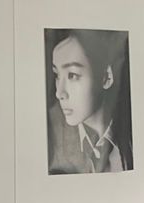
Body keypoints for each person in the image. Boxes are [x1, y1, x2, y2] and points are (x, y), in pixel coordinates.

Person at [46, 29, 133, 175]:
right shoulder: (51, 138)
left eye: (72, 75)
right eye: (57, 75)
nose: (59, 93)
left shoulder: (132, 134)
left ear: (106, 77)